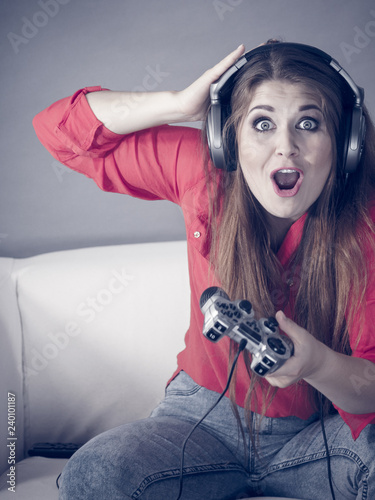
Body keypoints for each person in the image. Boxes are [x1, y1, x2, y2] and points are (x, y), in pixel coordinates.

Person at [33, 40, 375, 499]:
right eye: (263, 124)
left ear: (345, 143)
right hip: (199, 422)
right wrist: (176, 104)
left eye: (308, 125)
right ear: (226, 138)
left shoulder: (365, 225)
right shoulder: (201, 172)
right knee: (95, 474)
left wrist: (317, 364)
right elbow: (59, 132)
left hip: (318, 434)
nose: (286, 148)